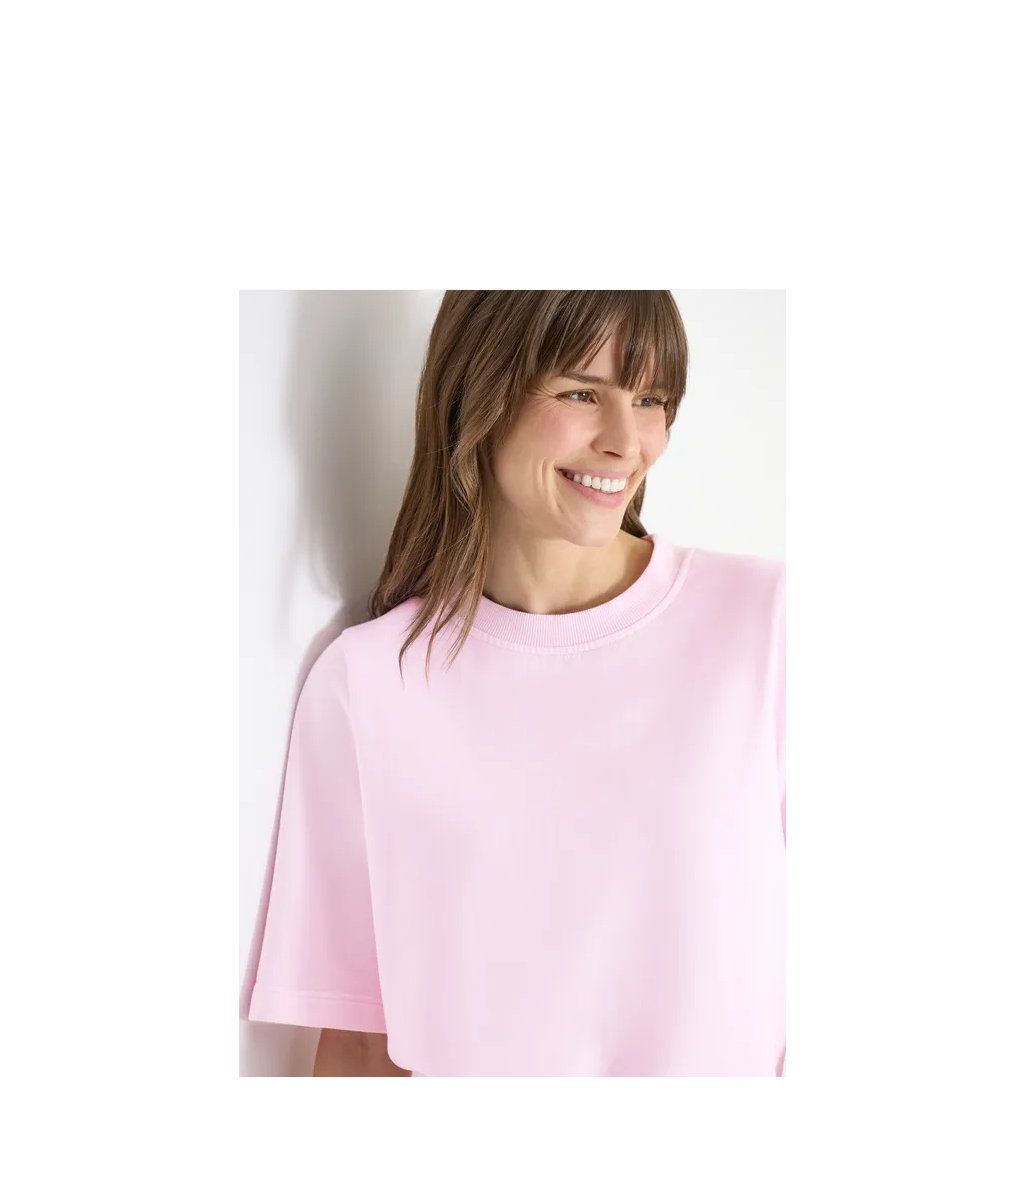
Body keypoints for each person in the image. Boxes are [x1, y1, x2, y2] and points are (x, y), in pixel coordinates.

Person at [243, 290, 785, 1077]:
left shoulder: (766, 625)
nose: (626, 441)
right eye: (581, 394)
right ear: (481, 392)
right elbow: (358, 1046)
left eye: (650, 399)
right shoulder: (367, 686)